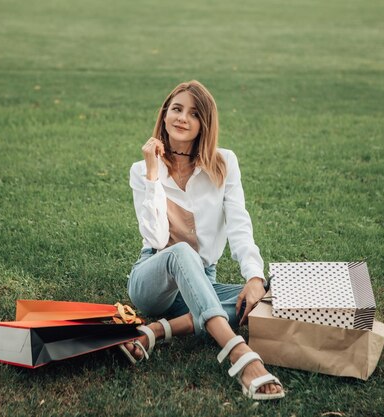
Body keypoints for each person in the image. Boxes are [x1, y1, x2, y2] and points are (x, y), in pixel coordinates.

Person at [121, 80, 284, 400]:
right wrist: (153, 175)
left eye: (194, 113)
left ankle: (157, 331)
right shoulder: (141, 170)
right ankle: (239, 354)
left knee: (268, 296)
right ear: (164, 115)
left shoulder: (224, 164)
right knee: (180, 251)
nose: (183, 117)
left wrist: (254, 277)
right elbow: (155, 238)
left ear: (203, 124)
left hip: (200, 279)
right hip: (154, 280)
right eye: (177, 109)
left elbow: (239, 223)